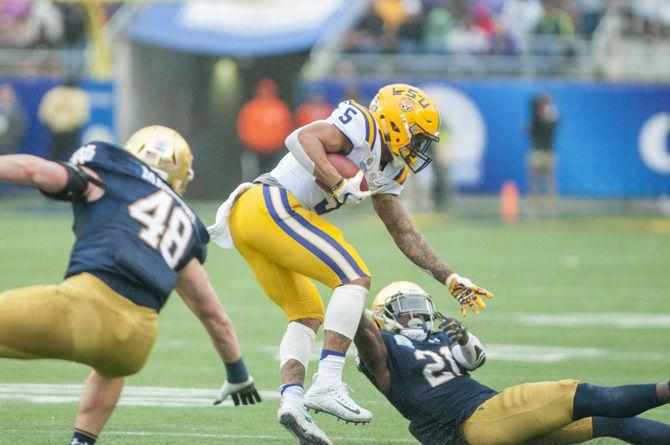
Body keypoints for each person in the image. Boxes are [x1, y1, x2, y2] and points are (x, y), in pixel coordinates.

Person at [208, 84, 493, 444]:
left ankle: (293, 401)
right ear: (395, 123)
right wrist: (337, 183)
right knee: (354, 276)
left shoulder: (390, 169)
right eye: (417, 136)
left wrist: (450, 277)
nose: (421, 148)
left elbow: (405, 233)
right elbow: (299, 138)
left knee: (306, 314)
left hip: (252, 219)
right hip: (269, 202)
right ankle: (328, 380)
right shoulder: (363, 124)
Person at [0, 125, 261, 445]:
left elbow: (33, 170)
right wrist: (238, 372)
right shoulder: (184, 222)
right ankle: (82, 440)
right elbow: (212, 314)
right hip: (135, 341)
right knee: (110, 368)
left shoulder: (111, 171)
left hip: (84, 306)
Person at [355, 281, 670, 445]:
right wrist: (344, 281)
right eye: (408, 310)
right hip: (480, 420)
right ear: (385, 316)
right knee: (587, 395)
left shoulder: (439, 338)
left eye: (420, 308)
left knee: (608, 421)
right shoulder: (383, 348)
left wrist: (462, 338)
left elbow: (476, 358)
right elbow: (358, 324)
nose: (419, 316)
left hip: (487, 420)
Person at [38, 76, 90, 161]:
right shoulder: (78, 94)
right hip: (64, 131)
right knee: (69, 157)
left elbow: (45, 112)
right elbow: (82, 115)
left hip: (62, 130)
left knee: (59, 157)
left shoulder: (55, 93)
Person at [528, 92, 559, 213]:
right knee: (534, 179)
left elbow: (556, 124)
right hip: (536, 151)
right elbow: (532, 103)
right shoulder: (535, 116)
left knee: (549, 179)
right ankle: (534, 203)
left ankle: (551, 204)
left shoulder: (551, 116)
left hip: (548, 150)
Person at [0, 83, 27, 155]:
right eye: (2, 94)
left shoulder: (16, 111)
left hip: (8, 145)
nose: (4, 96)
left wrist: (10, 139)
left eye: (7, 94)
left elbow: (20, 126)